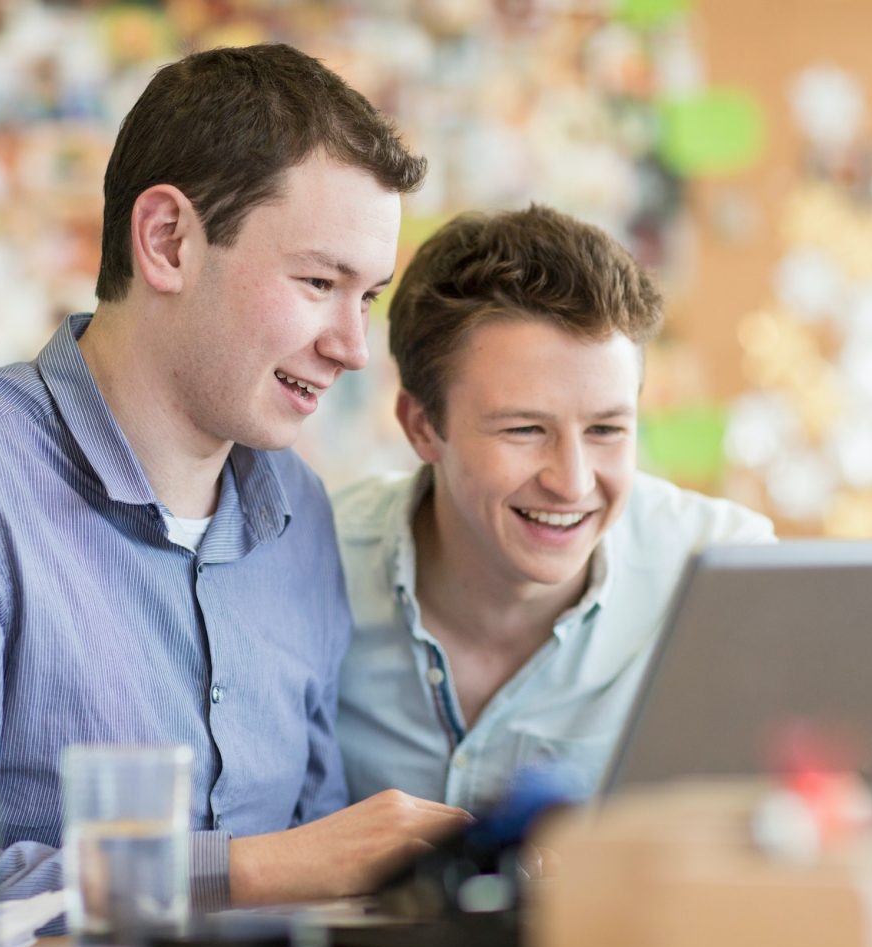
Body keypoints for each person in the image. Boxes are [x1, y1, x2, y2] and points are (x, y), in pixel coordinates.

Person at [0, 43, 471, 912]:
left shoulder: (297, 513)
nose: (354, 347)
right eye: (319, 281)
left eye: (365, 297)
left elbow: (318, 884)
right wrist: (249, 871)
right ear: (167, 241)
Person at [333, 205, 777, 811]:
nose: (571, 483)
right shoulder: (308, 558)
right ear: (422, 427)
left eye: (606, 430)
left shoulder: (721, 576)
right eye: (524, 430)